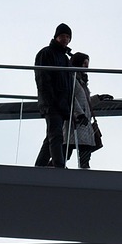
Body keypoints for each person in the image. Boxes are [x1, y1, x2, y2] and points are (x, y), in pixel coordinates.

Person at [33, 23, 73, 168]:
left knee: (51, 136)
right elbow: (43, 79)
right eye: (62, 36)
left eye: (68, 37)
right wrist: (50, 101)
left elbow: (69, 86)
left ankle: (39, 167)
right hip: (52, 103)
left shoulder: (65, 59)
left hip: (61, 104)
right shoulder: (46, 53)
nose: (65, 39)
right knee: (56, 135)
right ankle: (59, 166)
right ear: (56, 36)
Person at [64, 52, 100, 169]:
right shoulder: (72, 79)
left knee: (82, 148)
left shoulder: (82, 82)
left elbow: (85, 102)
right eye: (84, 63)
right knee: (67, 148)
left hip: (83, 121)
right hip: (75, 120)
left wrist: (99, 98)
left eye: (87, 64)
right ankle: (55, 167)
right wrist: (79, 114)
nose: (86, 67)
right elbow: (70, 98)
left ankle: (83, 168)